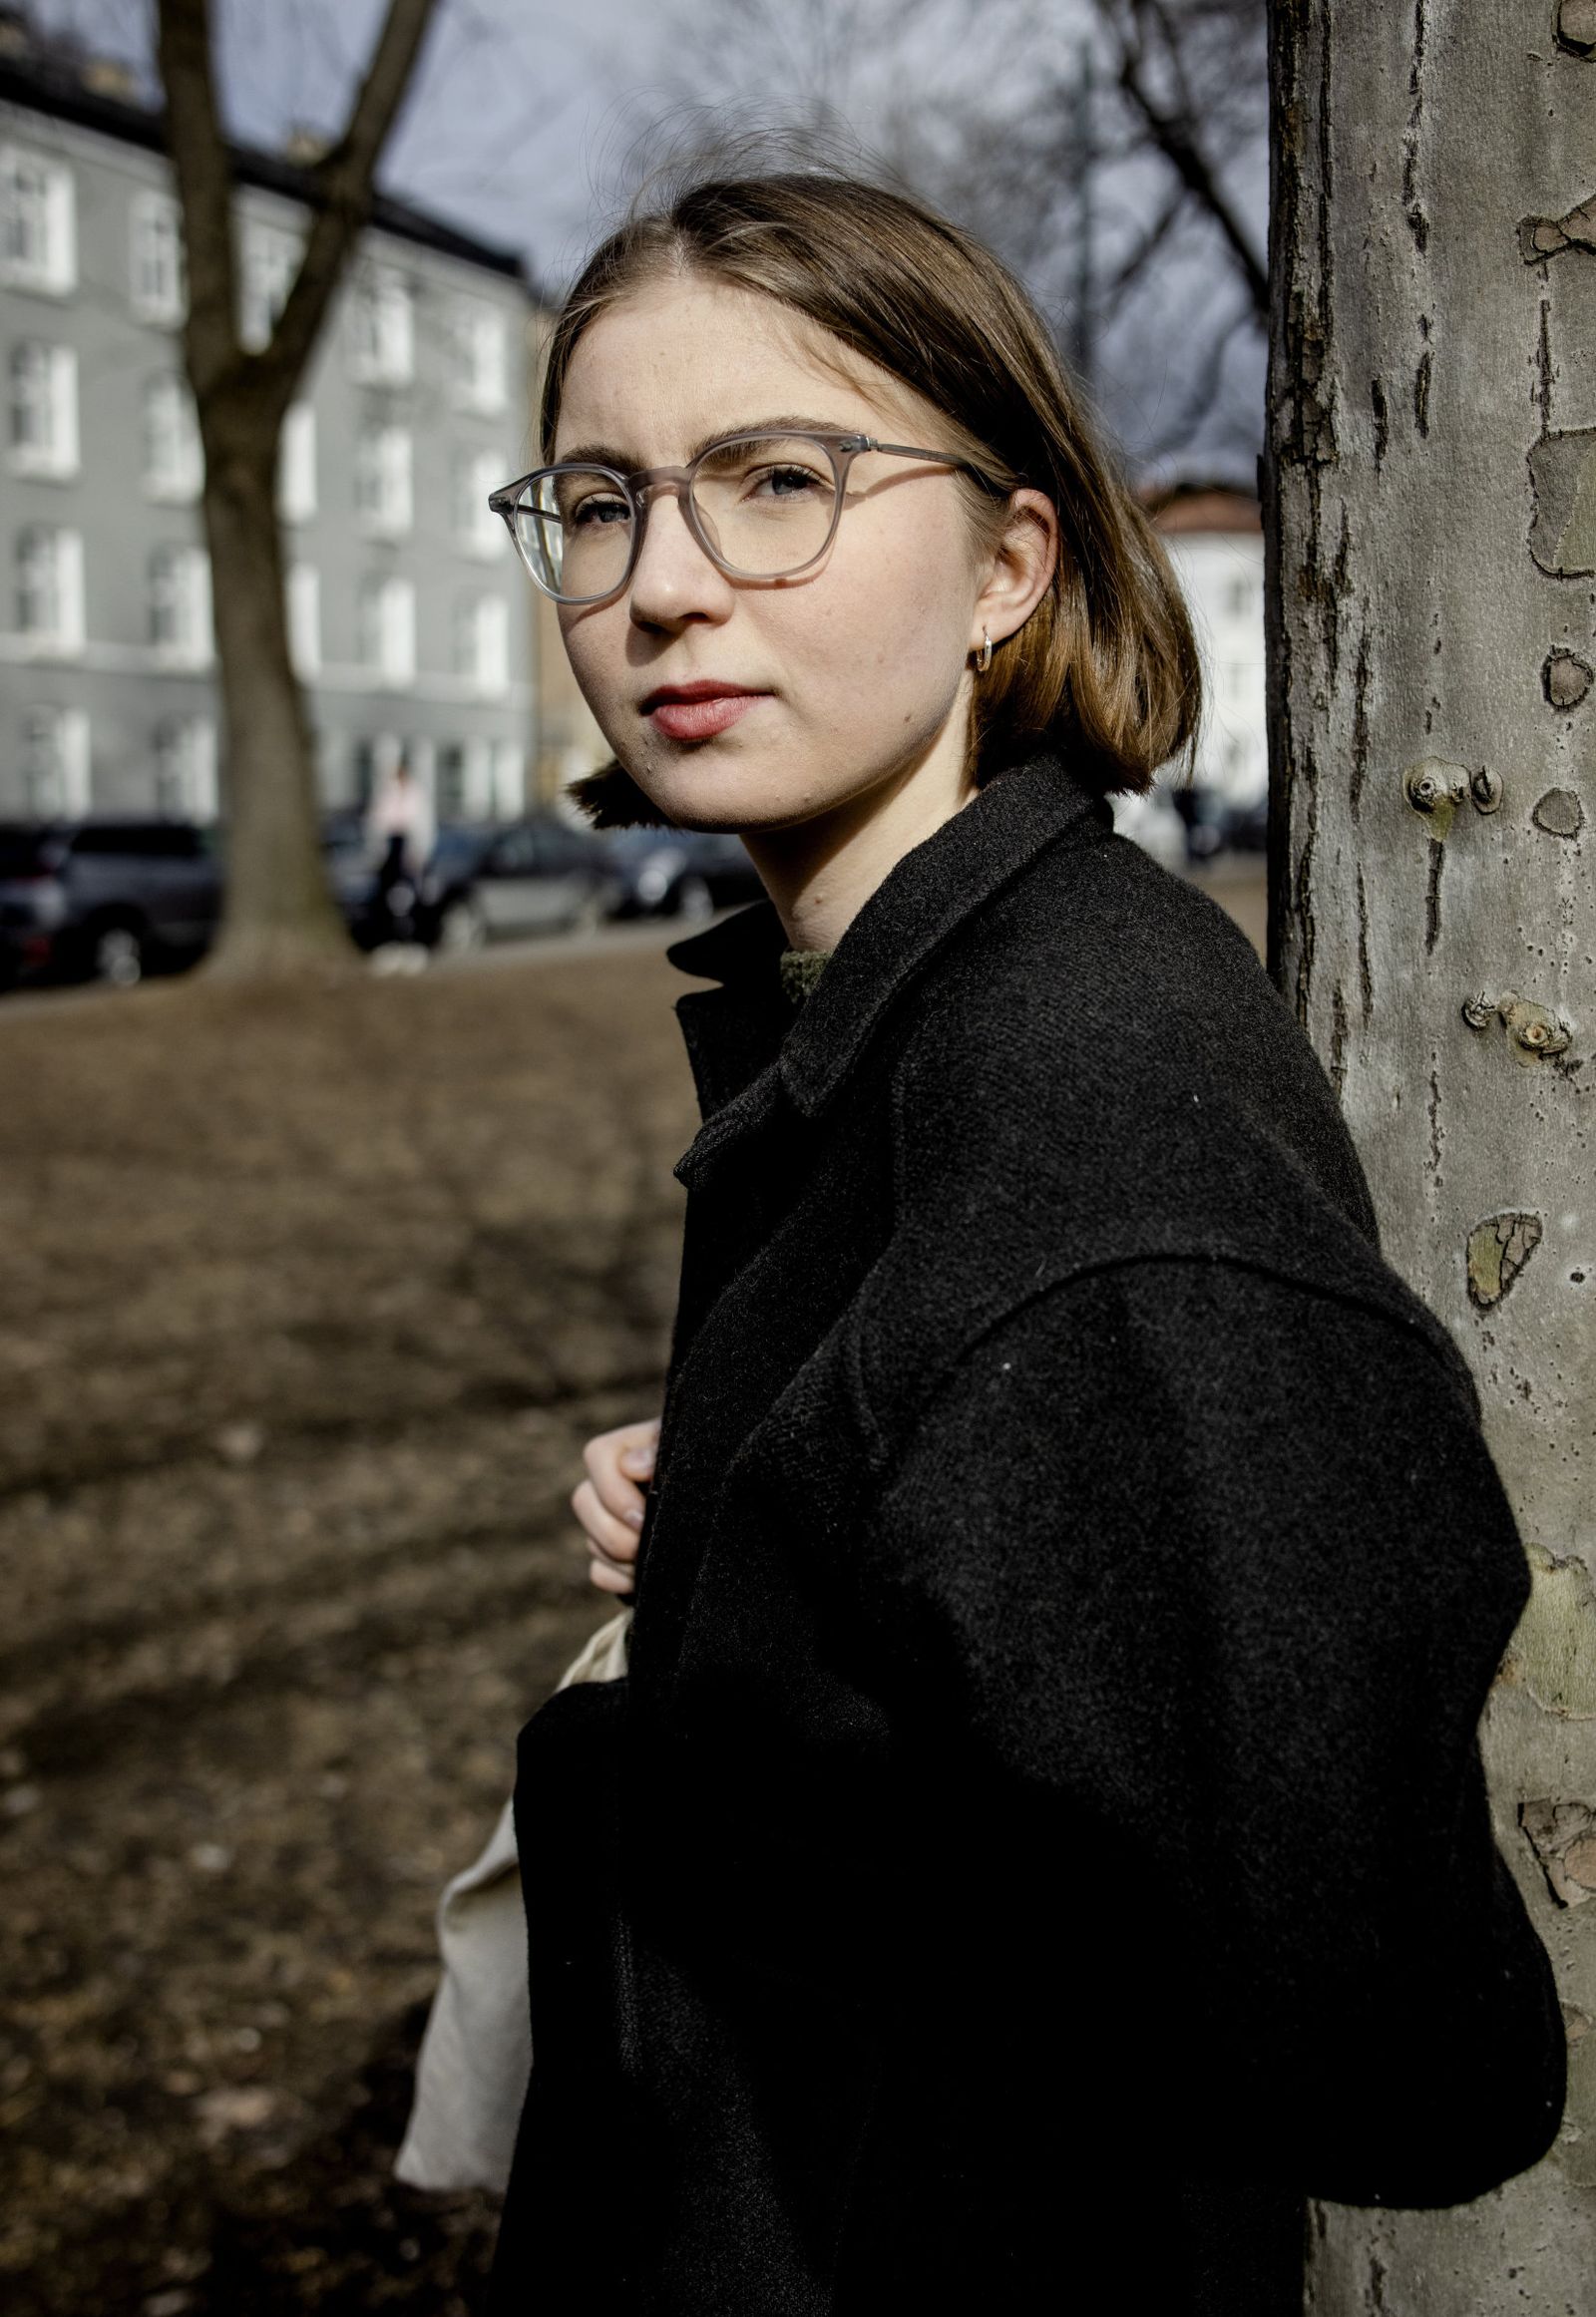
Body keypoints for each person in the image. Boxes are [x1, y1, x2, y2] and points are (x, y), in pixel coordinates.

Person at [475, 168, 1564, 2315]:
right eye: (600, 502)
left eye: (774, 482)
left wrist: (778, 1708)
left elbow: (1390, 2031)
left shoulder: (1083, 1105)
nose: (662, 586)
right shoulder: (900, 1005)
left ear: (1006, 565)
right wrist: (757, 1509)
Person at [363, 746, 435, 948]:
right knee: (385, 895)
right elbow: (375, 822)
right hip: (390, 846)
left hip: (409, 845)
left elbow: (423, 824)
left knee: (413, 895)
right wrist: (376, 851)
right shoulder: (386, 792)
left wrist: (420, 851)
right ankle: (388, 938)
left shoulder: (416, 794)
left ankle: (415, 938)